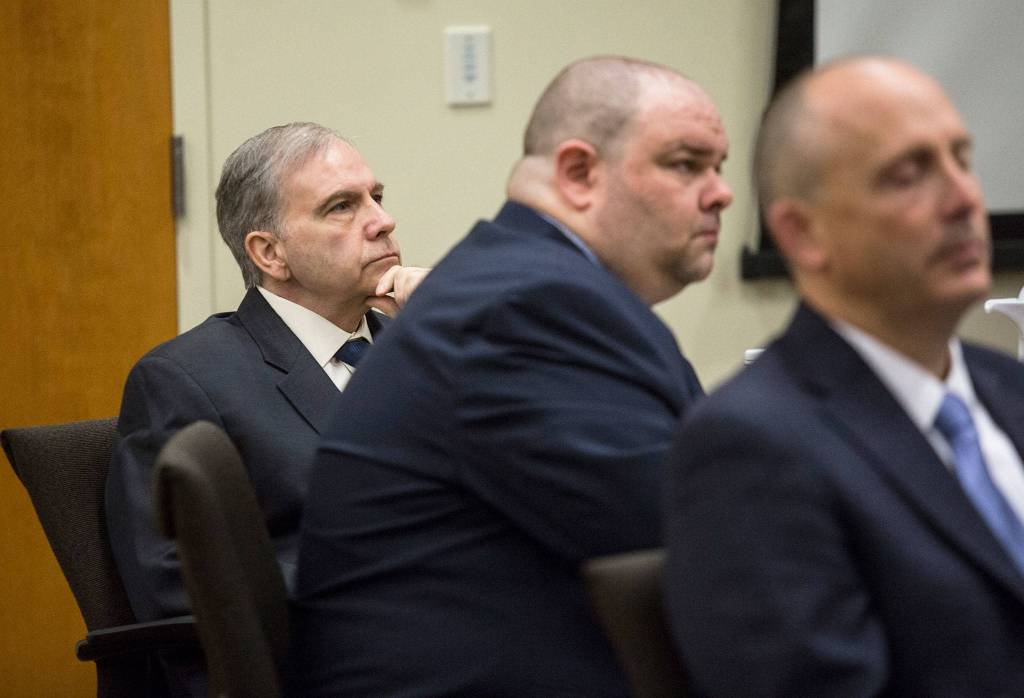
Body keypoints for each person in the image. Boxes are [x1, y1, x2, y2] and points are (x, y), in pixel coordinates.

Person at [287, 56, 732, 696]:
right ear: (579, 173)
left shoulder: (530, 284)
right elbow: (689, 540)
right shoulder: (525, 308)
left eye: (719, 167)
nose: (721, 192)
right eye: (686, 164)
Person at [666, 56, 1024, 696]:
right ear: (803, 235)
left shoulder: (1009, 389)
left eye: (962, 160)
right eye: (909, 174)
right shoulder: (751, 446)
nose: (965, 198)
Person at [105, 122, 427, 692]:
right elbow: (175, 580)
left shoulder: (420, 351)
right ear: (270, 252)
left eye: (376, 197)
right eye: (341, 207)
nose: (382, 220)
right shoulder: (184, 379)